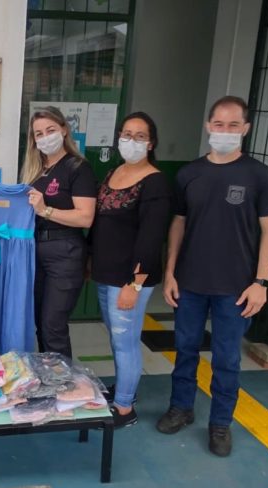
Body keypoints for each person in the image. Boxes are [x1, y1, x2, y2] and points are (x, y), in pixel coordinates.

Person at [157, 95, 268, 456]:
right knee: (184, 350)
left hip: (237, 289)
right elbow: (178, 225)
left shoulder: (259, 175)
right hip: (191, 283)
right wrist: (170, 272)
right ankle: (181, 407)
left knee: (227, 359)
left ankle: (221, 424)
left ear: (245, 129)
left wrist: (261, 282)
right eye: (218, 124)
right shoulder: (189, 173)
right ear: (208, 126)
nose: (225, 131)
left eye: (233, 125)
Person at [0, 106, 97, 357]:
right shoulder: (36, 169)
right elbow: (20, 206)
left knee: (53, 325)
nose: (45, 137)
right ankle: (48, 378)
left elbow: (85, 217)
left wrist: (46, 211)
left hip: (65, 253)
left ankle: (62, 384)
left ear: (64, 130)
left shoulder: (78, 168)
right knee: (38, 324)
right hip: (33, 253)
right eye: (39, 133)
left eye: (51, 130)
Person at [88, 112, 172, 427]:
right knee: (116, 338)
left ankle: (125, 408)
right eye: (126, 134)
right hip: (106, 275)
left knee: (126, 341)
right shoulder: (113, 173)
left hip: (130, 279)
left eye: (139, 136)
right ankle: (125, 391)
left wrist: (134, 285)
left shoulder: (155, 182)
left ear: (151, 143)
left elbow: (151, 239)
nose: (131, 141)